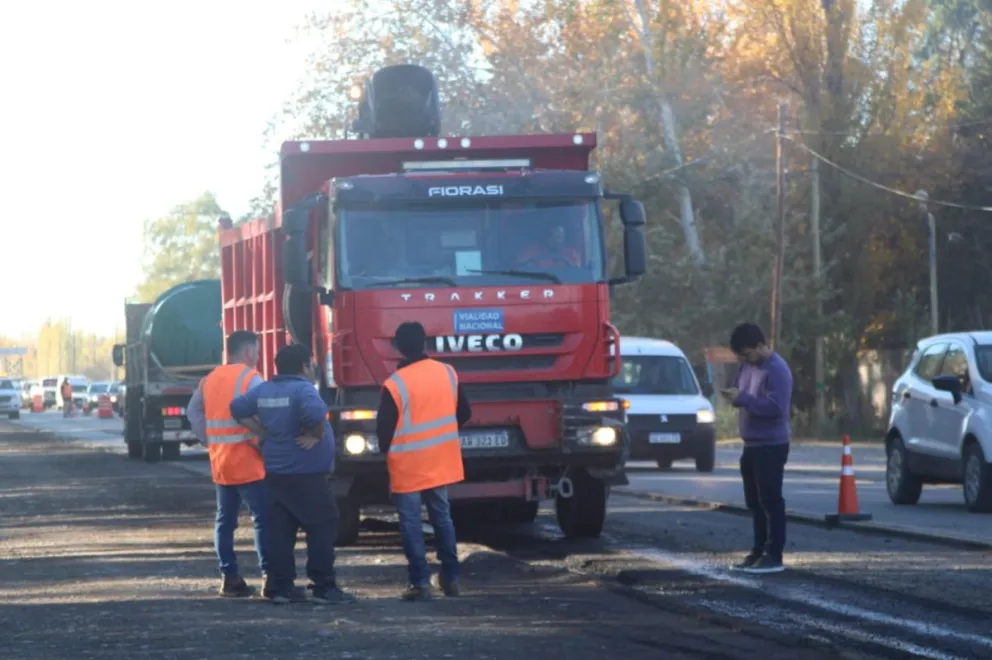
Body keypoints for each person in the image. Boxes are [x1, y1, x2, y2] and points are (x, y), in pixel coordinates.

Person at [230, 343, 355, 605]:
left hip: (276, 472)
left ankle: (280, 588)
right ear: (305, 365)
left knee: (281, 530)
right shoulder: (303, 389)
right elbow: (315, 413)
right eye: (311, 364)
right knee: (323, 523)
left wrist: (263, 433)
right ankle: (323, 586)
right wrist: (315, 435)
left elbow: (237, 408)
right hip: (306, 473)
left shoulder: (264, 389)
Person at [376, 321, 472, 601]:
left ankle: (420, 582)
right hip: (441, 460)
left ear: (398, 348)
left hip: (408, 465)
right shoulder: (447, 372)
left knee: (411, 522)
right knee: (443, 517)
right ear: (426, 342)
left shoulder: (395, 384)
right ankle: (452, 578)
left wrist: (389, 454)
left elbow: (384, 431)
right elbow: (464, 412)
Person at [187, 330, 270, 598]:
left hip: (221, 462)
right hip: (249, 460)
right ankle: (269, 576)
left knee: (225, 521)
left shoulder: (208, 380)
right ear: (248, 352)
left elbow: (193, 412)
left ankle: (230, 578)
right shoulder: (251, 378)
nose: (257, 356)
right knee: (263, 520)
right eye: (256, 351)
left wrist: (208, 438)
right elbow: (265, 413)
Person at [721, 322, 793, 575]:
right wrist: (734, 395)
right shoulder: (746, 366)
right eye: (741, 356)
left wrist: (742, 399)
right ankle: (758, 550)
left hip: (771, 445)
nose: (744, 360)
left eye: (747, 354)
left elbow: (775, 408)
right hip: (750, 444)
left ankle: (774, 554)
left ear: (761, 346)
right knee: (754, 501)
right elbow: (743, 392)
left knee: (770, 500)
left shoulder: (777, 370)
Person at [516, 221, 581, 267]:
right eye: (553, 236)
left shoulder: (571, 254)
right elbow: (520, 267)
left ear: (564, 238)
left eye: (559, 237)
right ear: (546, 237)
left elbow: (578, 272)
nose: (556, 240)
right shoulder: (531, 251)